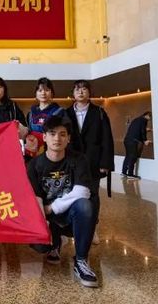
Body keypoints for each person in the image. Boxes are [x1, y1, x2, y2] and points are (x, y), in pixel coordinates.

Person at [27, 116, 98, 288]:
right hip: (48, 216)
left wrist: (51, 208)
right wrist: (42, 224)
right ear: (44, 137)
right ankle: (55, 243)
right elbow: (36, 198)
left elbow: (82, 191)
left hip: (69, 214)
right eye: (52, 134)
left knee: (85, 205)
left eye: (62, 134)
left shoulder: (79, 159)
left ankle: (81, 261)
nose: (57, 138)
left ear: (69, 138)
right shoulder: (34, 165)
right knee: (40, 246)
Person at [65, 80, 114, 245]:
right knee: (71, 194)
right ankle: (70, 228)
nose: (81, 92)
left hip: (93, 162)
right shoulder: (66, 113)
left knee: (92, 195)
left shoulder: (99, 112)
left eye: (84, 89)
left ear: (89, 93)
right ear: (73, 93)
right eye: (77, 89)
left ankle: (91, 229)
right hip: (71, 162)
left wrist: (105, 163)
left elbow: (107, 138)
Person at [26, 77, 65, 158]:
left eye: (47, 90)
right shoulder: (31, 113)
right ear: (36, 94)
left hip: (52, 151)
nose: (43, 93)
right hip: (33, 151)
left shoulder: (59, 112)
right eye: (40, 90)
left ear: (52, 93)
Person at [122, 111, 152, 179]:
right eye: (150, 117)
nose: (149, 119)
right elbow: (142, 131)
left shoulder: (136, 119)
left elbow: (137, 129)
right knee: (133, 156)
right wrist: (145, 140)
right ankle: (130, 174)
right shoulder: (144, 120)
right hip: (133, 141)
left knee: (128, 156)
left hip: (127, 140)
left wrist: (146, 130)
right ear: (147, 115)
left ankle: (124, 172)